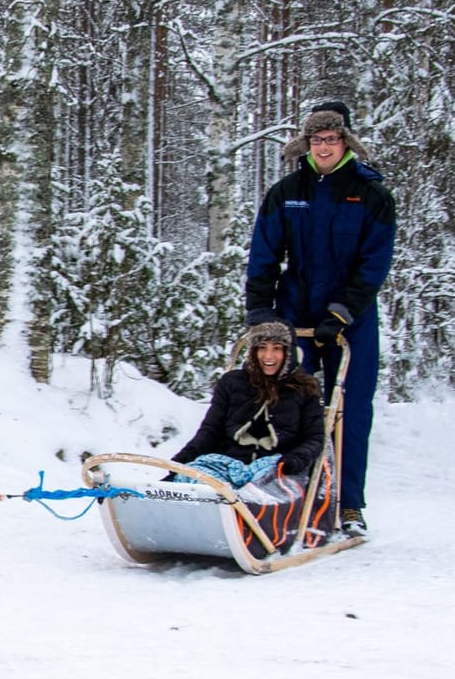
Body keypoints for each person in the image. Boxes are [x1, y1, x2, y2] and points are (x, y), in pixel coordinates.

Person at [245, 100, 396, 536]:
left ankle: (348, 504)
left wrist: (342, 311)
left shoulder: (371, 195)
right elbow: (265, 254)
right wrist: (261, 309)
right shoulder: (287, 191)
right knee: (284, 402)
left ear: (345, 141)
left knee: (350, 408)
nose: (324, 147)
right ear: (305, 144)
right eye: (316, 139)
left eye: (331, 139)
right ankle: (287, 495)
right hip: (297, 313)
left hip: (353, 318)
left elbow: (374, 263)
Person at [169, 320, 327, 489]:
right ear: (253, 352)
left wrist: (297, 458)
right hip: (230, 462)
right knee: (194, 482)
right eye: (262, 347)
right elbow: (210, 431)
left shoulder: (305, 388)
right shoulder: (232, 382)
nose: (268, 356)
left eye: (277, 348)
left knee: (250, 492)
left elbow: (314, 438)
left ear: (289, 353)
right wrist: (181, 463)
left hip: (278, 466)